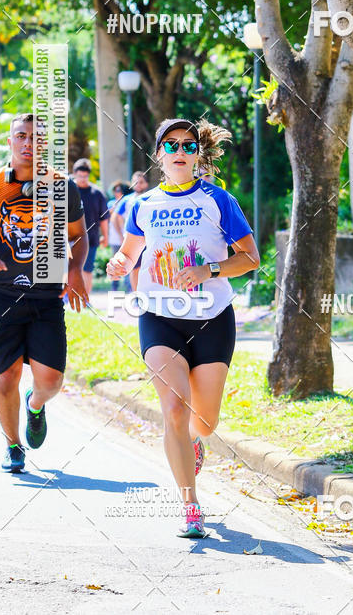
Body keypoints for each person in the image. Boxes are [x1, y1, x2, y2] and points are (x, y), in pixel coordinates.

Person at [106, 118, 259, 539]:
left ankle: (195, 441)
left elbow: (250, 258)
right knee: (174, 408)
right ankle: (190, 504)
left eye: (188, 145)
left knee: (203, 422)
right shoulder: (143, 204)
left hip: (212, 317)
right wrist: (120, 263)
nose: (179, 150)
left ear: (197, 154)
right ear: (158, 154)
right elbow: (130, 252)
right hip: (159, 316)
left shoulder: (218, 200)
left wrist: (208, 268)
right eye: (170, 144)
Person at [0, 114, 89, 473]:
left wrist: (76, 271)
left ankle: (35, 406)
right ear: (10, 142)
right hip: (0, 295)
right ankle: (13, 446)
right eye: (21, 136)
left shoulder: (63, 187)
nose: (28, 143)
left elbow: (79, 235)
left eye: (36, 138)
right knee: (6, 375)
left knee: (51, 380)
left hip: (47, 296)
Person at [71, 158, 110, 294]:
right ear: (74, 174)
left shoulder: (97, 194)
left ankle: (85, 299)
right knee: (69, 269)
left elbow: (104, 218)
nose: (82, 179)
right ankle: (67, 298)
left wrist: (106, 237)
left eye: (85, 176)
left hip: (90, 239)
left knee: (87, 270)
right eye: (80, 176)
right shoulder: (68, 191)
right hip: (68, 238)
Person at [112, 170, 149, 291]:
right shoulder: (127, 200)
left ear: (146, 184)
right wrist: (122, 235)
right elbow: (115, 218)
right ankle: (137, 296)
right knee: (135, 268)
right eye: (135, 182)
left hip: (149, 240)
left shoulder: (152, 198)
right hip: (135, 239)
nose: (138, 185)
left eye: (141, 182)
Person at [107, 180, 131, 292]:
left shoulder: (129, 201)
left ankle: (129, 288)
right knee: (115, 264)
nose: (116, 193)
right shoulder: (112, 203)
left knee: (127, 264)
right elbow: (110, 216)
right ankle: (114, 288)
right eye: (115, 191)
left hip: (128, 239)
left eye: (119, 190)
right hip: (115, 239)